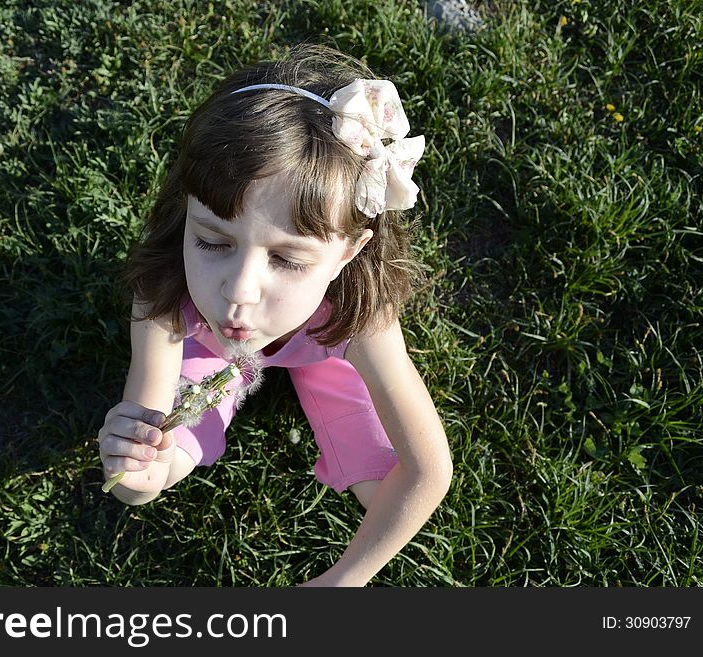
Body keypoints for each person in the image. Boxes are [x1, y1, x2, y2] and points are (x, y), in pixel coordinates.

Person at [97, 44, 453, 587]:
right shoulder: (165, 294)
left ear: (348, 253)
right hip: (209, 349)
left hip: (325, 347)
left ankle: (315, 374)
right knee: (167, 460)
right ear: (187, 213)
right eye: (212, 241)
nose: (239, 291)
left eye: (287, 258)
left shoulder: (360, 315)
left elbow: (428, 472)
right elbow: (133, 486)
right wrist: (135, 467)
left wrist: (344, 581)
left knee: (387, 494)